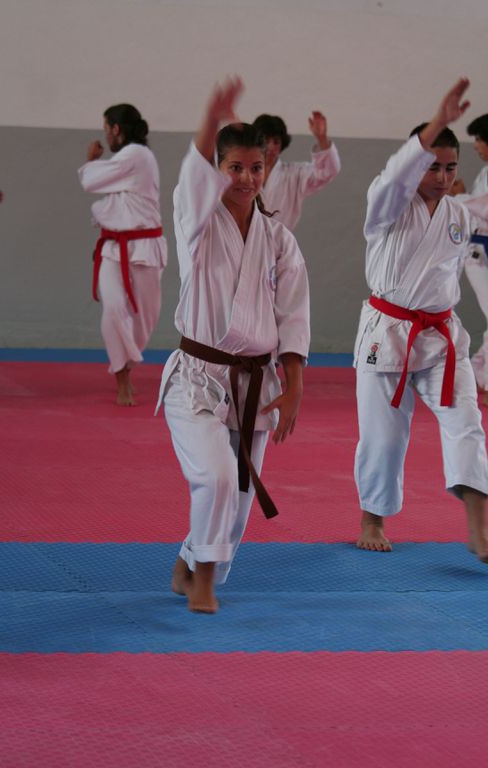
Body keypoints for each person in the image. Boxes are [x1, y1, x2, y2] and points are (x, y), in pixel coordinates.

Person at [157, 78, 310, 613]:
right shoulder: (198, 224)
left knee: (239, 505)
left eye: (256, 168)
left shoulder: (279, 238)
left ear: (267, 169)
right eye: (234, 167)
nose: (246, 178)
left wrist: (294, 386)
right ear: (217, 168)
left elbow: (293, 314)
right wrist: (210, 117)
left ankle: (189, 563)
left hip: (254, 382)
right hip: (198, 377)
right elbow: (191, 181)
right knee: (218, 477)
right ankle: (202, 580)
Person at [353, 78, 488, 562]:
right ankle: (373, 517)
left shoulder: (459, 213)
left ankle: (479, 524)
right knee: (384, 437)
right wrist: (437, 122)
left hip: (441, 337)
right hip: (387, 332)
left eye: (451, 167)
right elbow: (395, 176)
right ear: (416, 164)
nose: (443, 176)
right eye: (433, 166)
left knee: (467, 422)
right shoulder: (387, 205)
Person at [78, 104, 167, 405]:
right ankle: (122, 377)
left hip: (144, 246)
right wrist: (95, 165)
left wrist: (91, 161)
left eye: (106, 129)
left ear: (116, 129)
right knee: (114, 308)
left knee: (145, 317)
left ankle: (127, 364)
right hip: (114, 247)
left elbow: (90, 180)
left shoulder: (137, 155)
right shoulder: (126, 159)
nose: (105, 135)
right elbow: (96, 184)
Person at [251, 110, 340, 231]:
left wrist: (322, 138)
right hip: (243, 240)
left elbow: (327, 171)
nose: (271, 147)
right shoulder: (244, 174)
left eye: (276, 142)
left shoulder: (294, 174)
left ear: (282, 145)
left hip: (279, 241)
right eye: (266, 140)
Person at [462, 114, 488, 399]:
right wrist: (463, 198)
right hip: (478, 255)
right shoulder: (485, 173)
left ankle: (474, 372)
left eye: (479, 140)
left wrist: (462, 199)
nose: (476, 146)